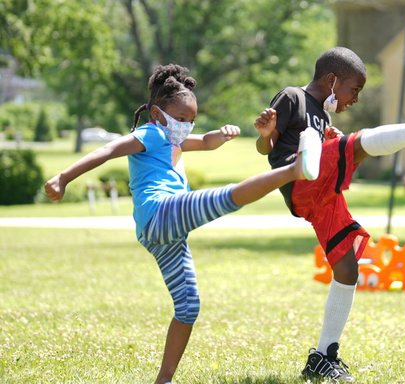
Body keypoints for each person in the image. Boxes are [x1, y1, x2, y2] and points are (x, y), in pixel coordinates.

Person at [44, 64, 316, 384]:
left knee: (188, 307)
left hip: (164, 235)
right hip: (161, 213)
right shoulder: (150, 133)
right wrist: (63, 177)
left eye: (191, 121)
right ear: (157, 114)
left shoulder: (174, 138)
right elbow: (106, 151)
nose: (187, 127)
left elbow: (207, 141)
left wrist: (222, 135)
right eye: (182, 119)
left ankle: (164, 380)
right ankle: (293, 170)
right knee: (225, 198)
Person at [254, 46, 405, 382]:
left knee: (348, 268)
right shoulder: (292, 97)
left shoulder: (324, 115)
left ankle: (323, 356)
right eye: (354, 90)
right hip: (300, 179)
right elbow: (267, 148)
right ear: (332, 80)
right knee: (354, 145)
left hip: (323, 196)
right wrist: (264, 135)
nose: (355, 99)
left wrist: (327, 138)